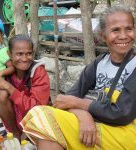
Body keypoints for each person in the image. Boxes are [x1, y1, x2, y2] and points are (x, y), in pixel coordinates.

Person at [20, 5, 136, 150]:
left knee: (42, 116)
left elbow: (121, 113)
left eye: (129, 29)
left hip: (125, 133)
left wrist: (79, 104)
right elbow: (66, 100)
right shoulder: (99, 63)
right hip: (99, 127)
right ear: (102, 35)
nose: (123, 35)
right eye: (115, 30)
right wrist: (83, 116)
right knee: (49, 129)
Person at [0, 34, 50, 139]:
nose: (24, 58)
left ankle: (26, 135)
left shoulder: (38, 72)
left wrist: (9, 88)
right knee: (1, 93)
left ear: (33, 53)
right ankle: (15, 134)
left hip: (37, 119)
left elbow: (36, 107)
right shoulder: (5, 70)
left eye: (29, 54)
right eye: (19, 54)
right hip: (14, 120)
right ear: (9, 54)